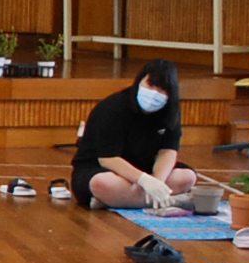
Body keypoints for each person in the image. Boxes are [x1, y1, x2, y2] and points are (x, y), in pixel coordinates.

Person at [72, 60, 204, 211]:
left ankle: (118, 200)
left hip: (146, 168)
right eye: (150, 85)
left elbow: (168, 150)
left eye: (162, 90)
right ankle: (172, 202)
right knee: (102, 183)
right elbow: (108, 159)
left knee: (187, 177)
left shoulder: (170, 112)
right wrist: (144, 180)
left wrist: (157, 181)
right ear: (140, 81)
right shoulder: (113, 107)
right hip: (104, 169)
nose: (154, 93)